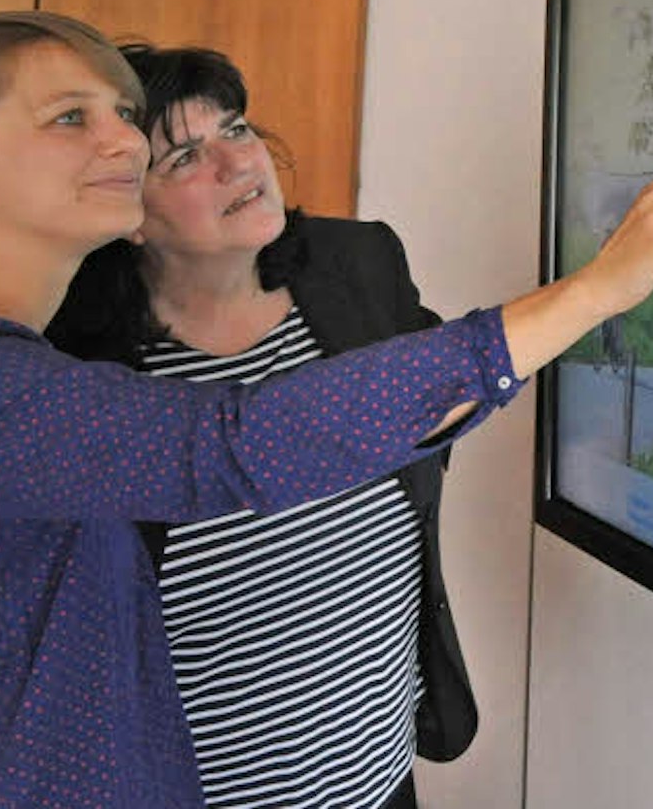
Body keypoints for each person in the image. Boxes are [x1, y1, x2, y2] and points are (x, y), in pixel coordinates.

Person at [0, 11, 653, 806]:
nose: (122, 143)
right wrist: (599, 289)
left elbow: (402, 416)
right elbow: (236, 445)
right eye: (70, 118)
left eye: (123, 117)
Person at [42, 45, 461, 808]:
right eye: (185, 157)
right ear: (127, 210)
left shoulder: (359, 268)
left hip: (379, 780)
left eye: (235, 129)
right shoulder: (82, 370)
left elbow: (437, 408)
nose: (238, 163)